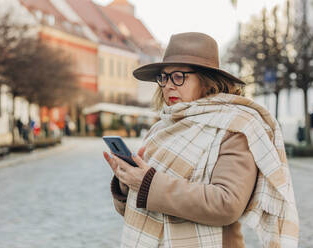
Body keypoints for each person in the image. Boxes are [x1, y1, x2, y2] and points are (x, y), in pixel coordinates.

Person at [103, 32, 299, 248]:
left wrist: (148, 182)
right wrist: (126, 183)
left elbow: (227, 204)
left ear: (206, 81)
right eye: (164, 77)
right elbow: (138, 205)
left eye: (178, 76)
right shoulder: (162, 126)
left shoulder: (235, 127)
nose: (168, 85)